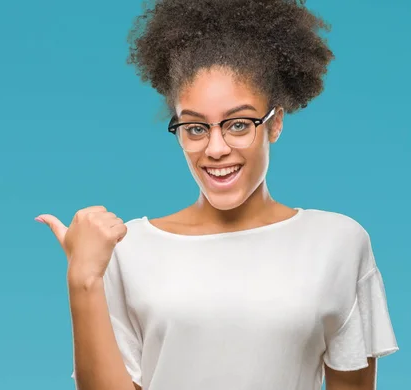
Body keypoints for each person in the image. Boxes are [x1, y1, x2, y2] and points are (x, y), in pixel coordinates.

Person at [36, 0, 399, 389]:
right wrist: (84, 278)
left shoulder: (338, 243)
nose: (215, 149)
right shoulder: (129, 248)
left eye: (238, 124)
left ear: (274, 122)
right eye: (195, 128)